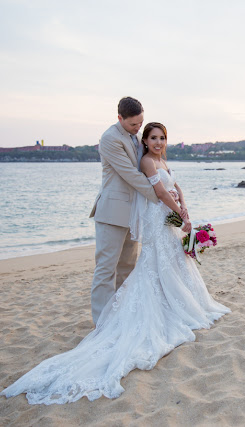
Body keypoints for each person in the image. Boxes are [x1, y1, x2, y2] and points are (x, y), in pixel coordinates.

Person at [0, 122, 231, 405]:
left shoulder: (161, 159)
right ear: (145, 140)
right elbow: (158, 192)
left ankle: (172, 303)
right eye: (153, 137)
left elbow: (174, 185)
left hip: (166, 218)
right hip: (158, 219)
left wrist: (183, 204)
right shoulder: (145, 159)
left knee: (167, 264)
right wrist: (182, 217)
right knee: (148, 266)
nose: (158, 142)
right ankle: (108, 321)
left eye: (162, 138)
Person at [89, 97, 157, 326]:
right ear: (120, 118)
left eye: (140, 123)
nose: (138, 129)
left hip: (133, 213)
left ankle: (120, 316)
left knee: (128, 267)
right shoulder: (110, 138)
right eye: (133, 125)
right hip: (111, 213)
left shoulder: (134, 136)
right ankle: (102, 323)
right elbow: (130, 174)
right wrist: (161, 196)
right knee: (106, 269)